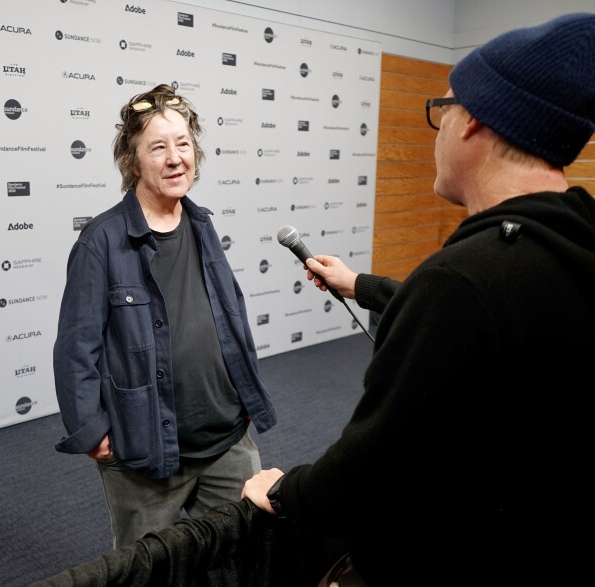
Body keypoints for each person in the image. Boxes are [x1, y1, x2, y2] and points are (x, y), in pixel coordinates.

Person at [243, 12, 595, 586]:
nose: (439, 126)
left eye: (444, 107)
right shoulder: (566, 244)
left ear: (474, 121)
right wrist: (363, 285)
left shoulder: (461, 282)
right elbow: (496, 316)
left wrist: (284, 491)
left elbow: (371, 469)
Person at [53, 83, 277, 549]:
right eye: (159, 147)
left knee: (238, 555)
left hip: (227, 438)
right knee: (150, 570)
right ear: (133, 162)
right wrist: (91, 430)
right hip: (147, 448)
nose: (176, 158)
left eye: (184, 144)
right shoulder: (101, 242)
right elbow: (76, 346)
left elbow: (227, 315)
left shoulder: (201, 224)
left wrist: (243, 396)